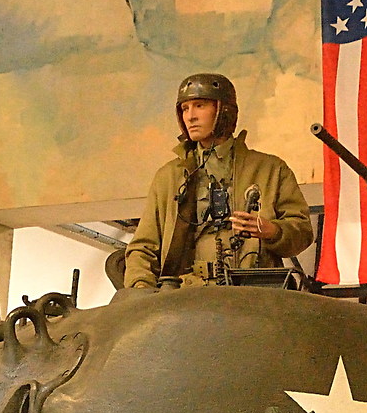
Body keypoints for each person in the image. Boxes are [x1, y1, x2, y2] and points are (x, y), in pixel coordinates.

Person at [120, 73, 313, 290]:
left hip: (256, 295)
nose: (190, 116)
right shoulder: (169, 177)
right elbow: (143, 248)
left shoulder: (270, 169)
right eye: (185, 109)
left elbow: (302, 232)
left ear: (224, 111)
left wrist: (272, 231)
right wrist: (141, 292)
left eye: (199, 106)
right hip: (186, 297)